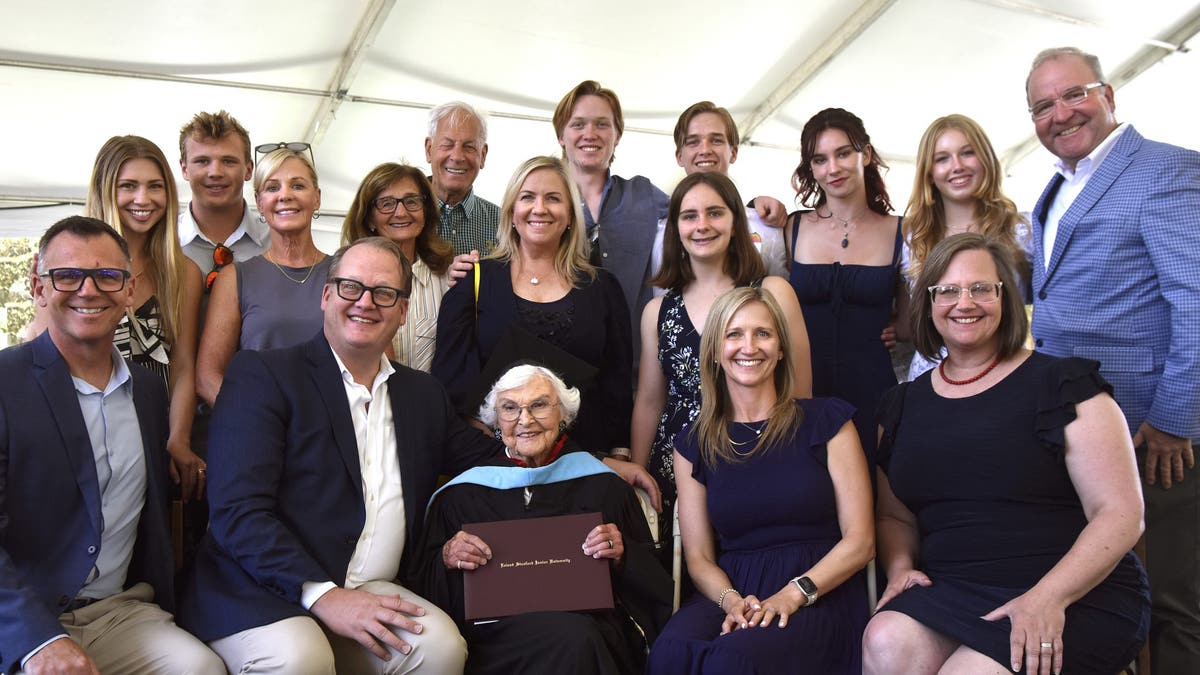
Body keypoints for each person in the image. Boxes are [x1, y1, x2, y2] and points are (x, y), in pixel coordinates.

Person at [179, 238, 491, 674]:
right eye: (350, 287)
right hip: (260, 589)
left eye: (384, 293)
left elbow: (488, 459)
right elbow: (238, 512)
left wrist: (583, 458)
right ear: (326, 296)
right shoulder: (263, 375)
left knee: (439, 648)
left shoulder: (422, 394)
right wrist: (324, 595)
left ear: (403, 312)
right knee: (301, 657)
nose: (365, 302)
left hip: (373, 586)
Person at [862, 233, 1150, 674]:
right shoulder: (900, 407)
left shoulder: (1064, 386)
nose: (965, 302)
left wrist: (1049, 596)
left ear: (1006, 297)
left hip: (1072, 589)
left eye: (981, 288)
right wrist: (900, 565)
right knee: (884, 640)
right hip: (954, 587)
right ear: (928, 303)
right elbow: (894, 517)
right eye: (948, 291)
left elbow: (1121, 514)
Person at [1024, 46, 1200, 672]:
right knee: (1117, 600)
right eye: (1042, 106)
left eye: (1075, 94)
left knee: (1175, 602)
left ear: (1109, 94)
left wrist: (1176, 419)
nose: (1061, 114)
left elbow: (1196, 300)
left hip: (1154, 435)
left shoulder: (1164, 170)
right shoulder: (1057, 187)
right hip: (1082, 432)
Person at [1, 216, 223, 675]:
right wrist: (37, 640)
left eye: (107, 275)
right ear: (38, 288)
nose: (88, 289)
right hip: (23, 618)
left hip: (120, 611)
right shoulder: (6, 383)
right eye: (67, 275)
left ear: (128, 289)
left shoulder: (148, 391)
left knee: (200, 668)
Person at [646, 286, 874, 673]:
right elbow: (699, 557)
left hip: (818, 589)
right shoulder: (693, 445)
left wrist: (793, 594)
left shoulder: (827, 422)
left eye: (762, 334)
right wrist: (731, 601)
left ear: (781, 349)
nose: (748, 346)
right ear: (716, 352)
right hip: (734, 588)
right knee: (670, 653)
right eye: (733, 335)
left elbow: (861, 542)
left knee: (732, 660)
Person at [417, 364, 672, 675]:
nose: (525, 420)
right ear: (497, 421)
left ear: (563, 415)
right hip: (494, 639)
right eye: (510, 409)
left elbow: (655, 586)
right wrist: (447, 556)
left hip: (589, 632)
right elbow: (424, 586)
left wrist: (622, 555)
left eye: (539, 405)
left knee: (576, 638)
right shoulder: (461, 495)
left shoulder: (605, 487)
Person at [631, 171, 811, 538]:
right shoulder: (658, 311)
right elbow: (650, 402)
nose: (702, 225)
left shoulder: (773, 293)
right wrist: (637, 473)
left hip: (759, 460)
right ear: (675, 228)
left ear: (735, 222)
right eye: (689, 216)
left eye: (715, 213)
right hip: (677, 470)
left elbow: (800, 393)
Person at [432, 156, 633, 457]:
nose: (539, 208)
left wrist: (618, 457)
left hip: (585, 463)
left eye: (553, 198)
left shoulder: (603, 289)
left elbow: (616, 385)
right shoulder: (472, 283)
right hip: (495, 463)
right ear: (512, 212)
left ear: (569, 215)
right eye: (528, 197)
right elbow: (450, 385)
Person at [82, 135, 207, 503]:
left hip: (154, 440)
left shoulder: (182, 272)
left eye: (155, 186)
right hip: (87, 435)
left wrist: (177, 440)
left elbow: (184, 365)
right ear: (106, 190)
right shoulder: (73, 261)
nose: (143, 199)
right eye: (128, 186)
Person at [785, 107, 903, 472]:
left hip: (876, 392)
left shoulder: (903, 230)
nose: (832, 168)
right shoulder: (791, 228)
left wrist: (902, 328)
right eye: (820, 159)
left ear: (865, 154)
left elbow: (918, 316)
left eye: (843, 153)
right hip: (806, 393)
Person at [196, 144, 332, 405]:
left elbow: (378, 362)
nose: (285, 195)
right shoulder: (236, 278)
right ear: (259, 202)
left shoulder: (344, 273)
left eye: (298, 186)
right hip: (262, 433)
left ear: (317, 197)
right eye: (272, 188)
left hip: (336, 432)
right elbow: (207, 377)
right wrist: (254, 420)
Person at [902, 114, 1031, 380]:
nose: (957, 166)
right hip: (933, 374)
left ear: (985, 158)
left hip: (1007, 373)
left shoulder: (1022, 230)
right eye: (942, 158)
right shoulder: (915, 237)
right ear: (928, 172)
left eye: (967, 153)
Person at [552, 80, 669, 357]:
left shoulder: (644, 195)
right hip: (561, 363)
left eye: (602, 124)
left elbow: (700, 214)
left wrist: (754, 206)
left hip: (636, 364)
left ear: (617, 135)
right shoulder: (542, 202)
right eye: (578, 124)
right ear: (561, 135)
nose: (590, 133)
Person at [342, 162, 454, 371]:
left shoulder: (448, 279)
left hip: (432, 401)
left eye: (411, 202)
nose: (401, 213)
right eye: (386, 203)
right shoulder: (346, 282)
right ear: (369, 219)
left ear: (426, 211)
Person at [669, 101, 788, 276]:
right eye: (693, 142)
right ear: (680, 156)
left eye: (716, 140)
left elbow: (779, 296)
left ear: (733, 152)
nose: (705, 150)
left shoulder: (767, 227)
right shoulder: (660, 231)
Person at [177, 110, 269, 279]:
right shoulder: (164, 240)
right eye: (202, 161)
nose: (215, 172)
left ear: (249, 170)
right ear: (184, 169)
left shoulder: (274, 240)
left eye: (228, 161)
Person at [425, 101, 500, 257]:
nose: (457, 157)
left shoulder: (501, 224)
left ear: (483, 155)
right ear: (429, 149)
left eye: (469, 147)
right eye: (447, 145)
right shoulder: (403, 216)